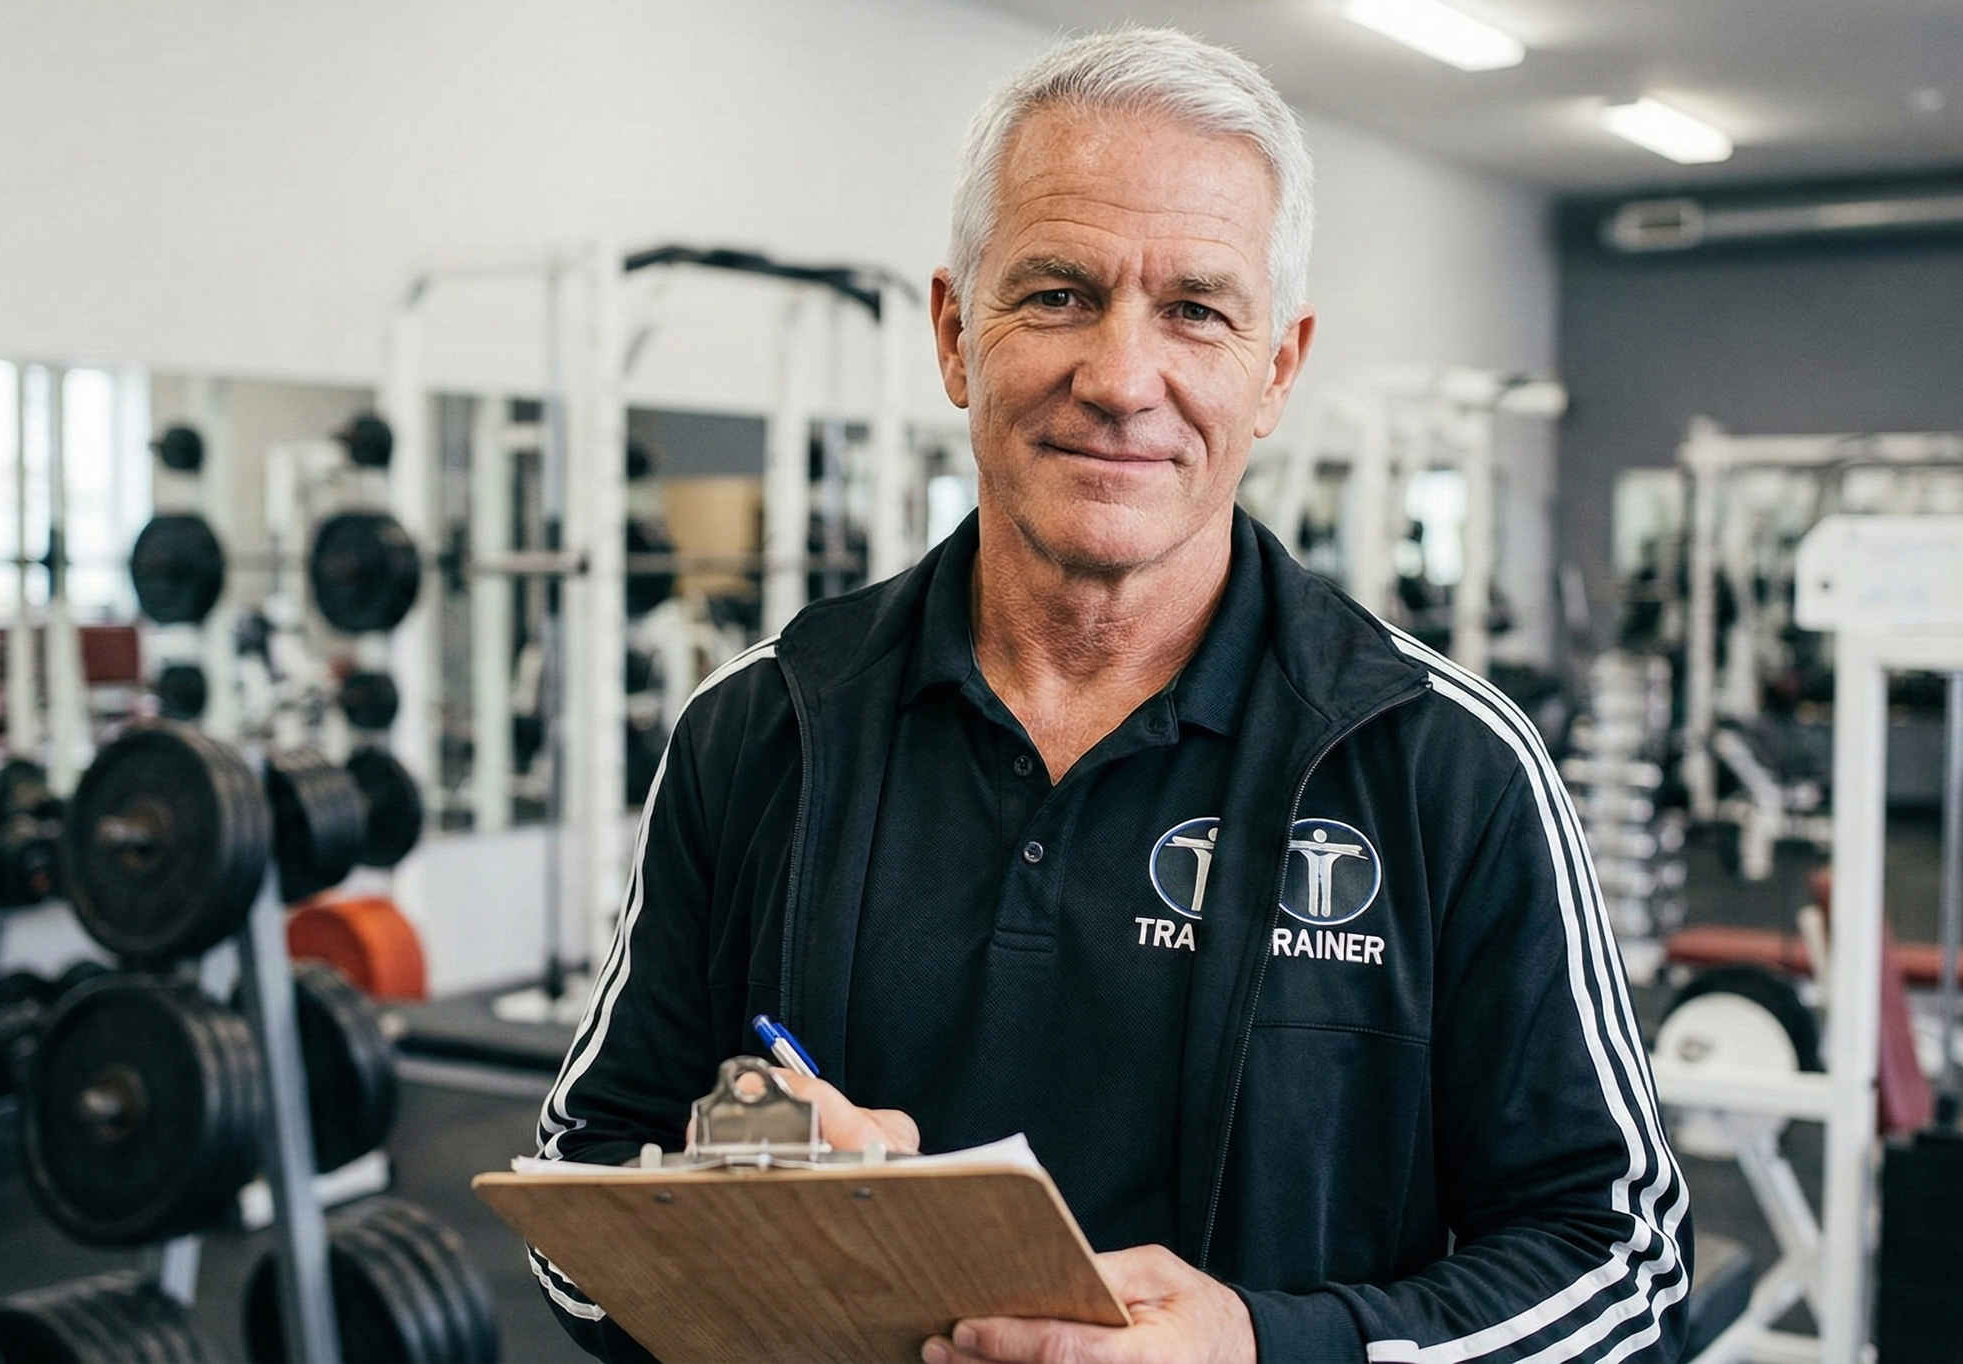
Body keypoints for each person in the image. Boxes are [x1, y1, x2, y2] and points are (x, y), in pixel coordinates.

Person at [532, 26, 1686, 1364]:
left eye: (1196, 308)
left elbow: (1621, 1267)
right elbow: (579, 1192)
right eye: (1058, 294)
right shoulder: (762, 729)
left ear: (1278, 368)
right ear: (957, 334)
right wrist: (764, 1220)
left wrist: (1265, 1346)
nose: (1122, 379)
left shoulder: (1447, 768)